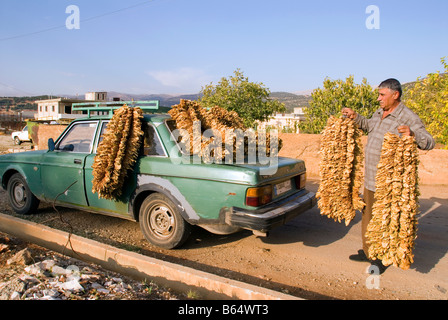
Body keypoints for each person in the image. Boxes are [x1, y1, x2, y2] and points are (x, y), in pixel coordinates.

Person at [342, 78, 435, 273]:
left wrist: (412, 135)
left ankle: (382, 258)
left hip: (389, 182)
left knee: (384, 219)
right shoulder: (379, 113)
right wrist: (355, 117)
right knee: (368, 217)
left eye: (382, 95)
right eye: (379, 94)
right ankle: (369, 252)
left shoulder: (407, 117)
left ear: (396, 95)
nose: (378, 99)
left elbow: (429, 141)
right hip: (370, 177)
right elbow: (368, 126)